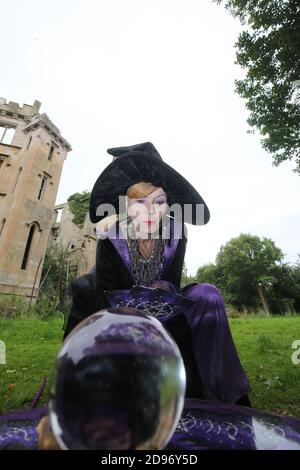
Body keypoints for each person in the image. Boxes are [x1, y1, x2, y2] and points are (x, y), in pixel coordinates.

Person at [63, 141, 251, 407]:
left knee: (206, 294)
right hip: (120, 317)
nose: (151, 211)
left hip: (165, 309)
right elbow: (107, 297)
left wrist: (163, 289)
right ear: (126, 205)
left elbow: (172, 284)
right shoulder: (111, 238)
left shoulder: (176, 233)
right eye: (140, 201)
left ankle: (230, 398)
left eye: (159, 201)